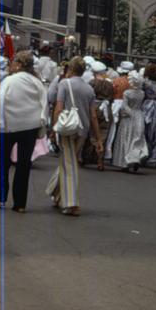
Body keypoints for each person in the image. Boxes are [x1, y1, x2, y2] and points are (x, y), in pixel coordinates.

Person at [0, 50, 47, 212]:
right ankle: (20, 203)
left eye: (13, 62)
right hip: (30, 126)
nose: (11, 65)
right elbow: (44, 104)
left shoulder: (9, 81)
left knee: (3, 162)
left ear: (19, 65)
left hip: (9, 125)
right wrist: (42, 126)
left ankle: (0, 197)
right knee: (23, 164)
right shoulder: (37, 82)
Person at [45, 56, 102, 216]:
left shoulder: (65, 83)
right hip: (82, 129)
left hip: (67, 128)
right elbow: (93, 116)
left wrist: (54, 128)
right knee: (69, 161)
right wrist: (97, 138)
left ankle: (71, 202)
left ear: (70, 68)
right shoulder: (89, 89)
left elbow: (58, 107)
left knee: (69, 164)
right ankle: (56, 193)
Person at [111, 70, 147, 173]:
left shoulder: (127, 93)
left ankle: (125, 162)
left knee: (126, 137)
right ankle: (135, 159)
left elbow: (124, 106)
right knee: (136, 138)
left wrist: (129, 114)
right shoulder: (142, 93)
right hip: (139, 115)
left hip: (129, 118)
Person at [83, 60, 113, 170]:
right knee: (103, 134)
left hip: (94, 108)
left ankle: (88, 156)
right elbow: (111, 99)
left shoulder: (92, 83)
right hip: (106, 109)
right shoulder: (110, 84)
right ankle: (100, 160)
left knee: (92, 132)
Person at [104, 60, 133, 161]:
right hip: (127, 105)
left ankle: (109, 151)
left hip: (116, 104)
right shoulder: (131, 83)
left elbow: (112, 93)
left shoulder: (116, 81)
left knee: (112, 129)